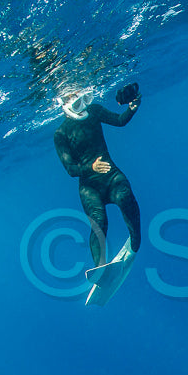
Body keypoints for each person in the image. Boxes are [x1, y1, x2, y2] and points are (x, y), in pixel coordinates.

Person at [53, 86, 143, 270]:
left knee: (126, 198)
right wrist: (90, 167)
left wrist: (132, 108)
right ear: (64, 106)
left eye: (86, 99)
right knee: (99, 221)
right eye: (78, 104)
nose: (84, 107)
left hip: (112, 176)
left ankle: (135, 244)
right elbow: (70, 169)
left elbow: (119, 121)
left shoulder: (94, 111)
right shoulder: (61, 133)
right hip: (89, 187)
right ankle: (100, 268)